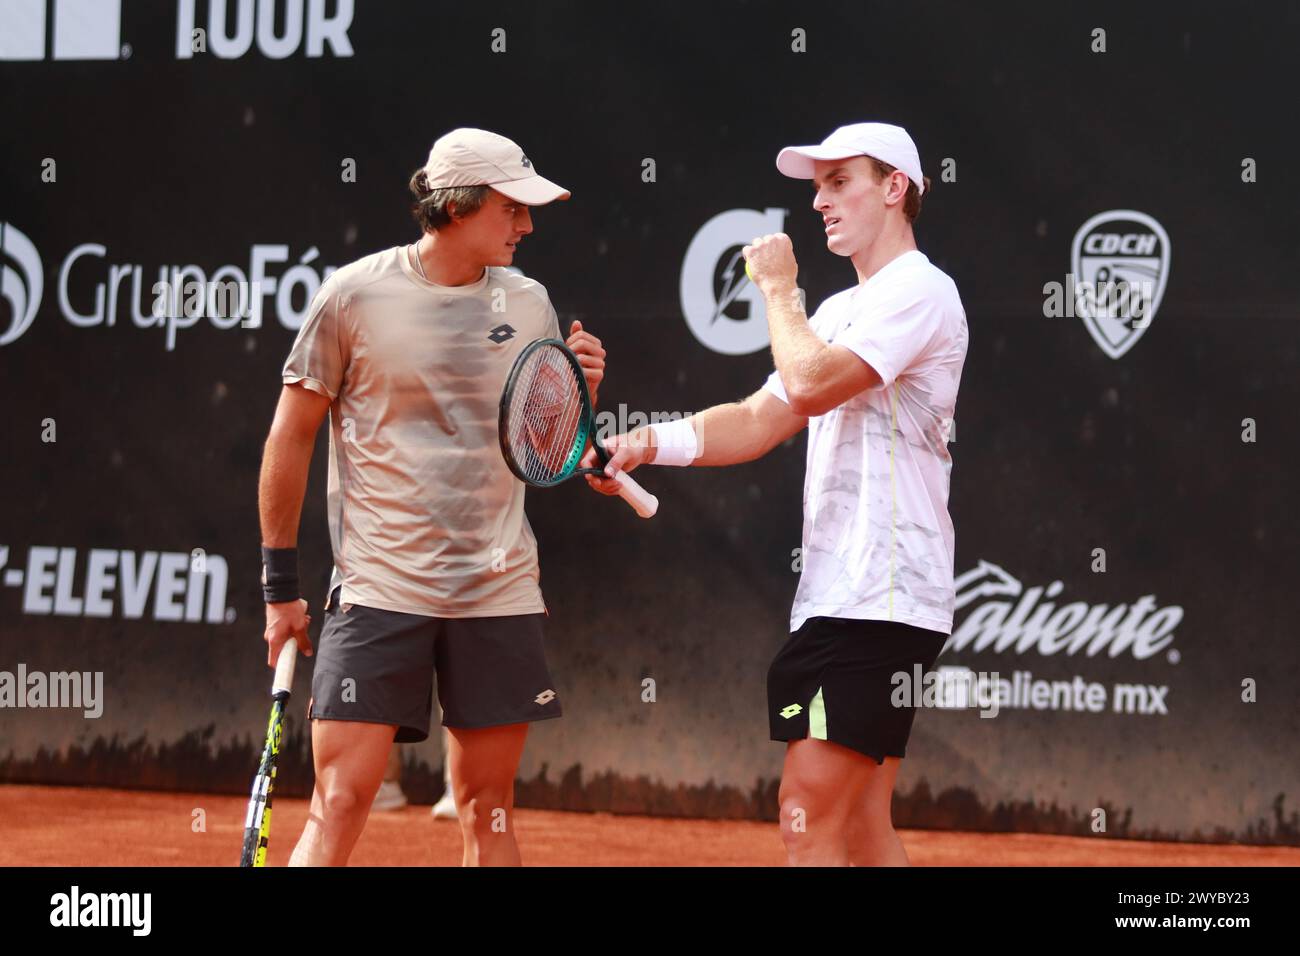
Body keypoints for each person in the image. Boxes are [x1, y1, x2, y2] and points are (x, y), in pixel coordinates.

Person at [585, 122, 967, 866]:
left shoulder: (919, 289)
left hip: (876, 598)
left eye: (839, 182)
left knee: (805, 810)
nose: (820, 201)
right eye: (816, 187)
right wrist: (645, 443)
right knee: (860, 826)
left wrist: (780, 290)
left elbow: (809, 384)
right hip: (858, 597)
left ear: (895, 188)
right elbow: (760, 421)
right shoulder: (836, 314)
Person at [258, 128, 605, 866]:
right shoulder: (352, 296)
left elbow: (550, 446)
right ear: (458, 206)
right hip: (381, 587)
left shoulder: (530, 301)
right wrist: (279, 587)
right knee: (341, 801)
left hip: (499, 588)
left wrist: (582, 390)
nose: (528, 225)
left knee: (490, 810)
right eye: (512, 209)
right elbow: (290, 437)